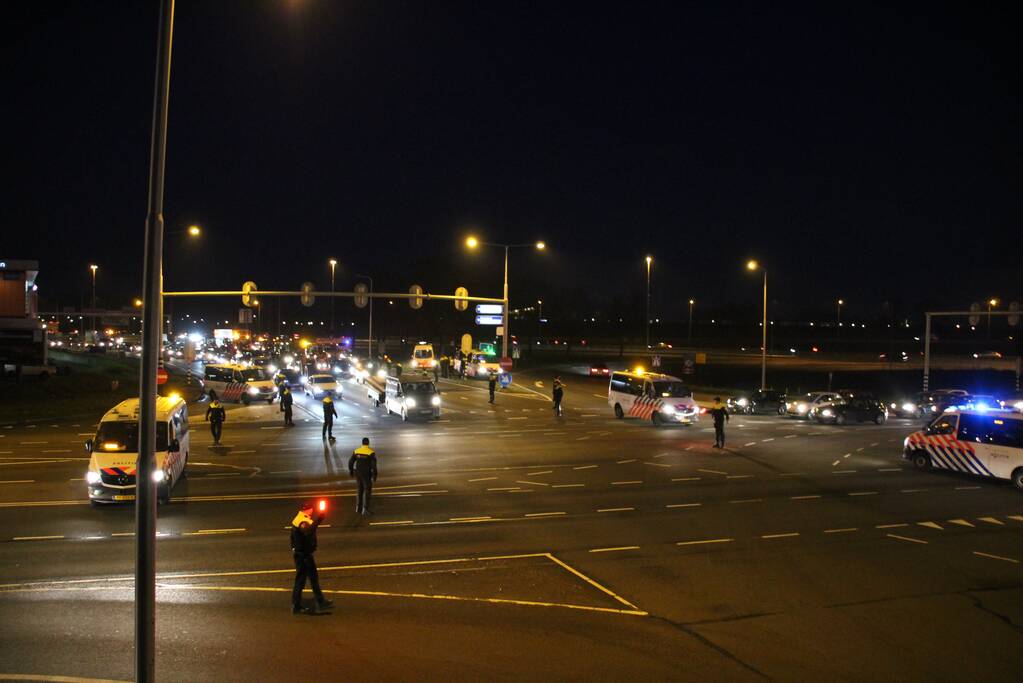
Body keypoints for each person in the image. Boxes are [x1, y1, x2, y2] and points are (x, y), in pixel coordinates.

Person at [290, 504, 334, 614]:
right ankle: (296, 605)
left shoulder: (299, 518)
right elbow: (309, 531)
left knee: (313, 579)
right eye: (311, 510)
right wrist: (320, 518)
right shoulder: (302, 521)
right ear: (308, 510)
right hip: (304, 556)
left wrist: (293, 548)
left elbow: (292, 537)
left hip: (303, 554)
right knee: (301, 581)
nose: (312, 511)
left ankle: (320, 601)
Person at [348, 437, 378, 515]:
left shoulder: (356, 451)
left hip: (358, 474)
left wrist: (351, 470)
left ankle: (358, 508)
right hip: (366, 475)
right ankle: (365, 509)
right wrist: (375, 475)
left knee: (359, 490)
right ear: (368, 443)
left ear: (362, 443)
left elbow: (350, 462)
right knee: (367, 491)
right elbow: (374, 466)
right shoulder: (371, 453)